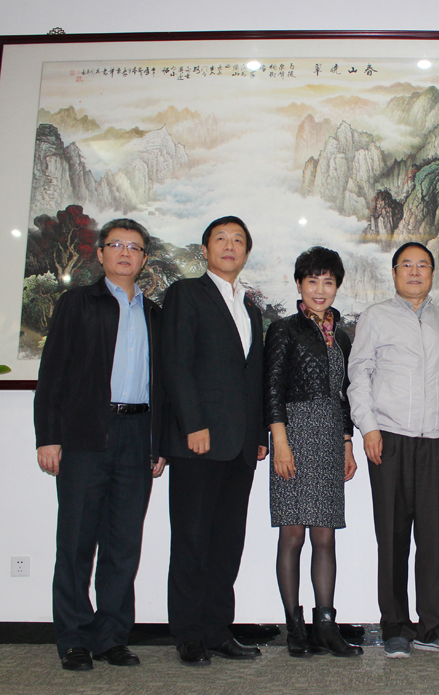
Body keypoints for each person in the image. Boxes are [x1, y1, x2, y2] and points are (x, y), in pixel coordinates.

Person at [34, 218, 166, 671]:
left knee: (123, 543)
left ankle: (112, 637)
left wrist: (159, 442)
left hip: (138, 433)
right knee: (76, 541)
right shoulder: (77, 303)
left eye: (135, 247)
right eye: (117, 244)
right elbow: (52, 373)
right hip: (84, 433)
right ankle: (73, 637)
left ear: (144, 259)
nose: (125, 253)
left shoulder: (155, 314)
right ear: (101, 253)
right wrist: (49, 437)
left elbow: (164, 386)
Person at [347, 241, 439, 658]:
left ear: (433, 272)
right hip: (389, 439)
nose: (415, 272)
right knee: (393, 537)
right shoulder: (376, 317)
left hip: (437, 442)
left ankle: (431, 626)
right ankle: (395, 626)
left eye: (423, 265)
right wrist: (368, 427)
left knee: (433, 539)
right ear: (395, 272)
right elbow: (359, 375)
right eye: (407, 265)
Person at [161, 216, 267, 667]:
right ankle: (188, 634)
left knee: (226, 543)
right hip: (198, 442)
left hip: (240, 446)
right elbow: (176, 362)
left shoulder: (251, 308)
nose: (229, 246)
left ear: (246, 252)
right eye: (220, 239)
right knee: (191, 540)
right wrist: (193, 424)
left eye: (238, 240)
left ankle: (218, 630)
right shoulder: (186, 294)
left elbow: (252, 376)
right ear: (205, 250)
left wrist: (258, 434)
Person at [264, 246, 362, 658]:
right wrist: (280, 443)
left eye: (328, 281)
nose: (320, 289)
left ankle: (325, 625)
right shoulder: (284, 330)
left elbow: (344, 396)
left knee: (325, 536)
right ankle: (294, 627)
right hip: (294, 432)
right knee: (292, 534)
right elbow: (272, 389)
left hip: (329, 435)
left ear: (337, 286)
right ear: (299, 284)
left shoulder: (342, 336)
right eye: (312, 281)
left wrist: (347, 443)